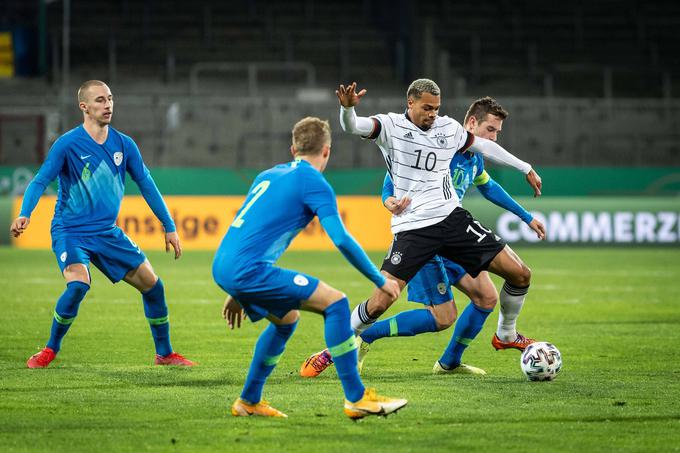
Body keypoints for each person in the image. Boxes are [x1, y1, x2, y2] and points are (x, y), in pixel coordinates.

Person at [299, 79, 542, 376]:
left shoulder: (449, 129)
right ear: (411, 103)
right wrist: (347, 109)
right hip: (414, 228)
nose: (432, 114)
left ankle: (505, 334)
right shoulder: (389, 126)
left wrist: (525, 167)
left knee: (519, 274)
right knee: (383, 298)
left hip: (452, 220)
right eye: (427, 108)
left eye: (436, 108)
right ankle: (336, 348)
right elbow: (354, 127)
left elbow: (485, 147)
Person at [213, 116, 407, 419]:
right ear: (327, 151)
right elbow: (341, 239)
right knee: (337, 303)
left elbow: (253, 231)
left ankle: (249, 401)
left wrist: (236, 289)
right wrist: (379, 280)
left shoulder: (267, 175)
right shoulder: (313, 182)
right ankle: (356, 398)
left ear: (293, 148)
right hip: (245, 270)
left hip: (225, 264)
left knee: (286, 320)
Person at [11, 80, 194, 369]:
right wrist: (26, 213)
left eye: (110, 98)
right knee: (78, 286)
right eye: (99, 100)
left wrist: (169, 225)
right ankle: (49, 349)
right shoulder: (68, 144)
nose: (107, 105)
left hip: (107, 233)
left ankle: (165, 354)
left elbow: (147, 184)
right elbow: (40, 180)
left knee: (154, 287)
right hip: (70, 231)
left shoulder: (124, 144)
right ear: (84, 106)